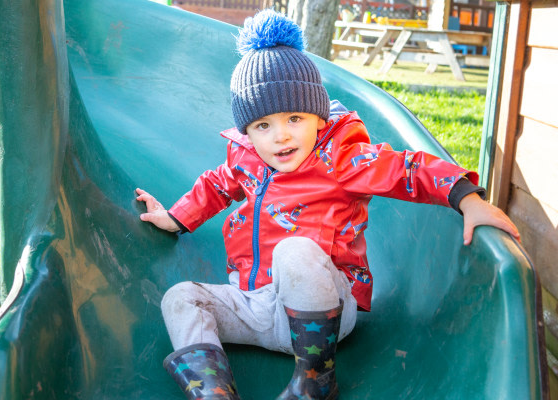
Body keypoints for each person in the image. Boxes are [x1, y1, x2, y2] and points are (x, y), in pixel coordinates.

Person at [136, 9, 519, 400]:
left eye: (294, 118)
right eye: (263, 125)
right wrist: (175, 217)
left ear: (318, 118)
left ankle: (316, 380)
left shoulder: (341, 157)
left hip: (325, 311)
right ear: (247, 132)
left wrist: (466, 197)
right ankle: (213, 392)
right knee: (180, 297)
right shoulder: (246, 158)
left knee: (294, 251)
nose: (281, 136)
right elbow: (217, 184)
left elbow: (408, 168)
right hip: (256, 306)